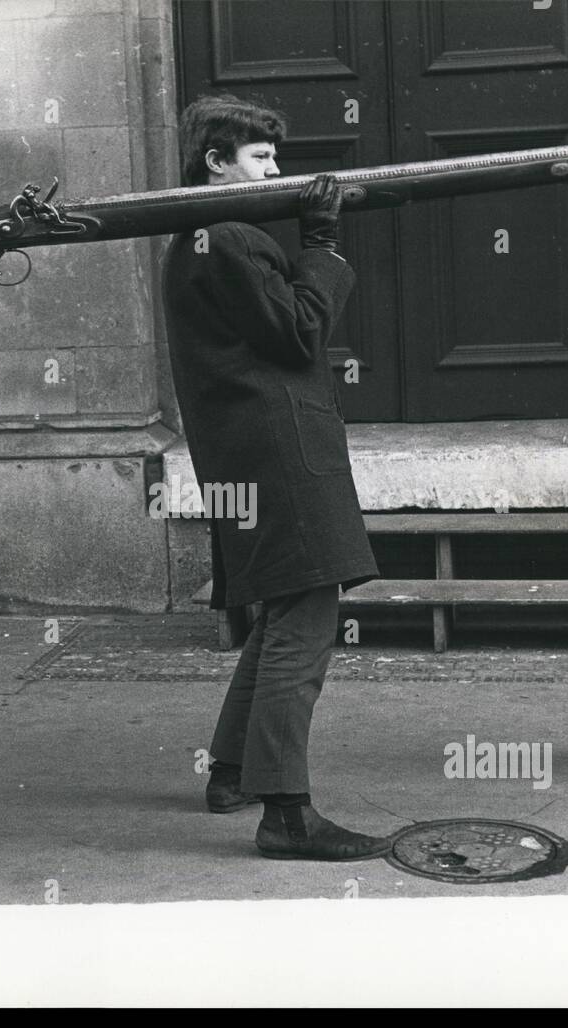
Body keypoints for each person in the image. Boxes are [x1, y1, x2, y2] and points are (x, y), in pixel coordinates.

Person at [163, 95, 390, 860]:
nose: (278, 170)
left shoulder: (198, 236)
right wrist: (322, 248)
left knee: (282, 613)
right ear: (216, 161)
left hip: (250, 453)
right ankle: (287, 812)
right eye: (261, 157)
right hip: (281, 450)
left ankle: (231, 770)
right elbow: (298, 333)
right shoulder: (230, 236)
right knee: (306, 619)